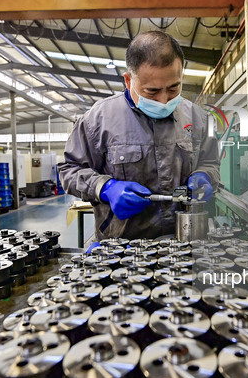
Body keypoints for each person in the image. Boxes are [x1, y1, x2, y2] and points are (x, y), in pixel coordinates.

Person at [58, 31, 220, 240]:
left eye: (173, 88)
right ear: (128, 81)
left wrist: (205, 175)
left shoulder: (198, 118)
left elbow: (211, 162)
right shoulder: (97, 120)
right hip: (123, 248)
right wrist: (105, 187)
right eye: (152, 91)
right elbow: (69, 170)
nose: (164, 100)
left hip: (184, 240)